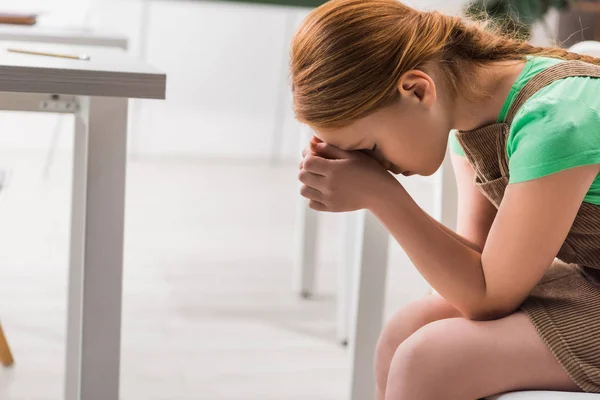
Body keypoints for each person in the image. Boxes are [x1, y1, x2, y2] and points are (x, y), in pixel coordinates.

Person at [291, 0, 600, 399]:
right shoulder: (475, 117)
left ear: (417, 89)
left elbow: (488, 297)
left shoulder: (555, 119)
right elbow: (481, 260)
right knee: (405, 332)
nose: (373, 165)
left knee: (428, 360)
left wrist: (383, 196)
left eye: (369, 146)